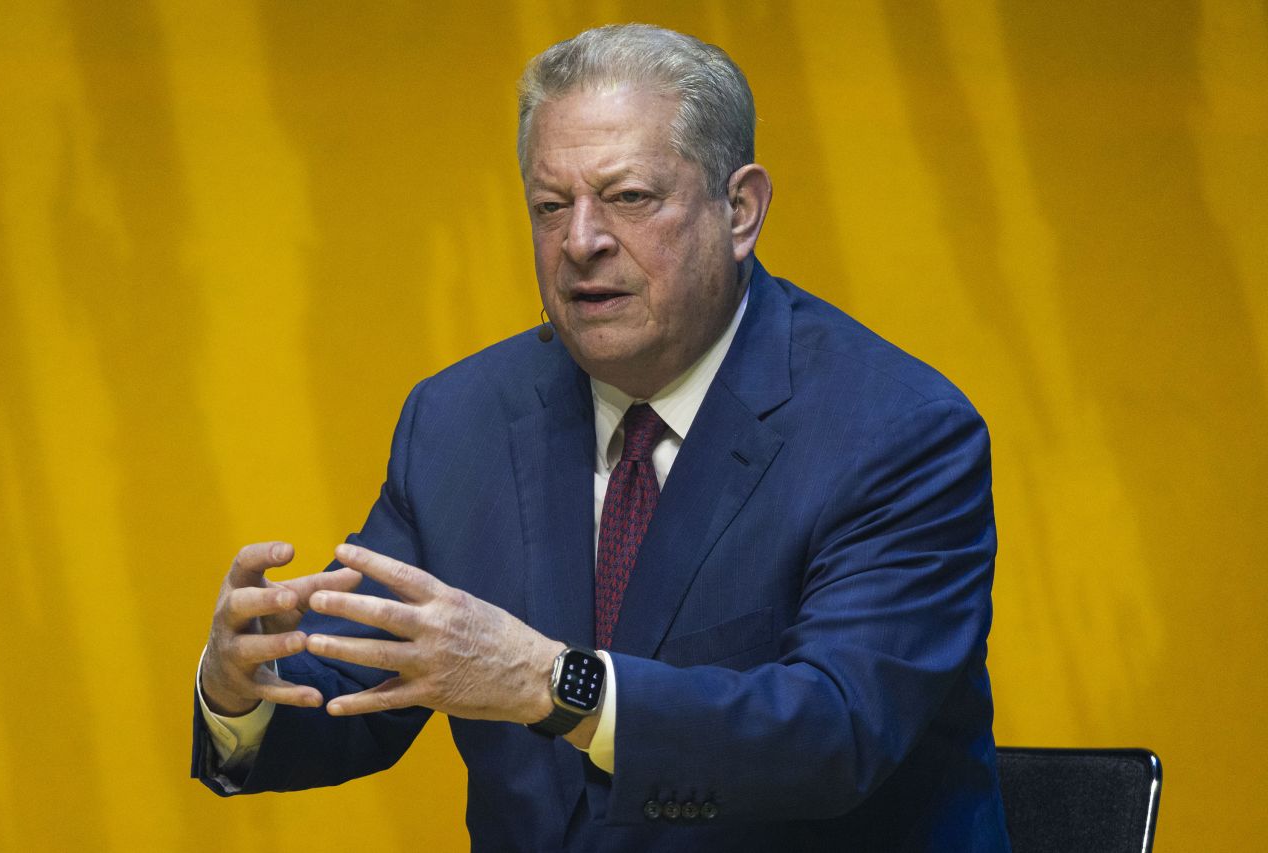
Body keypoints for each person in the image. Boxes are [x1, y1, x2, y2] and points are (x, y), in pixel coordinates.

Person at [193, 23, 1010, 852]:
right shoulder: (460, 421)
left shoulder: (896, 433)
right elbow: (351, 689)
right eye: (551, 206)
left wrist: (556, 685)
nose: (580, 241)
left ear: (740, 209)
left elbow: (832, 735)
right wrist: (244, 688)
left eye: (629, 197)